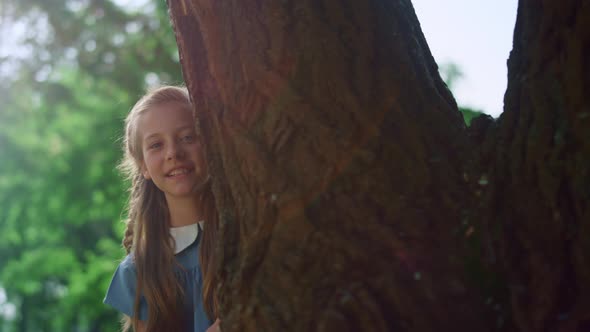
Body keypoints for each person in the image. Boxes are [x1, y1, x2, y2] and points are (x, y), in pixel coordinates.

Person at [103, 86, 221, 332]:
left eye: (188, 137)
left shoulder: (246, 233)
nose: (173, 153)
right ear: (142, 165)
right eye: (156, 145)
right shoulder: (138, 271)